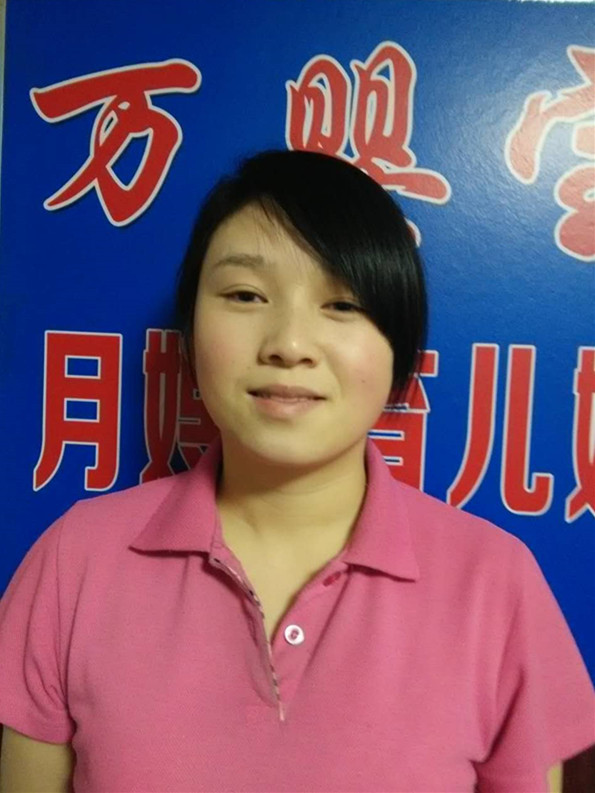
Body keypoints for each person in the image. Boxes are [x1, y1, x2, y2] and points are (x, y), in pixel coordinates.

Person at [0, 149, 593, 792]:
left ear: (400, 346)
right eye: (245, 295)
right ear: (190, 329)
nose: (288, 344)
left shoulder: (495, 584)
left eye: (343, 305)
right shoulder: (77, 561)